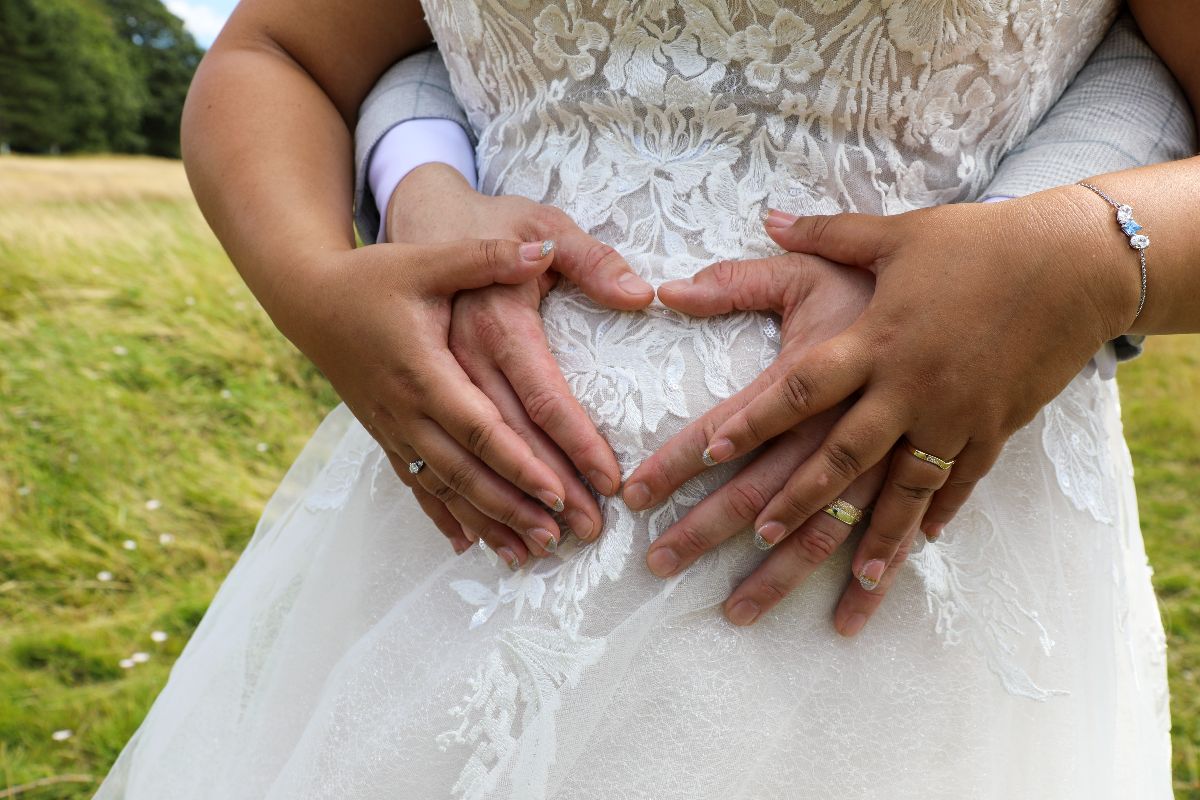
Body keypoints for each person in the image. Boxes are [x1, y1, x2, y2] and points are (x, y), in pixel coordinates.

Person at [95, 2, 1199, 797]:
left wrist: (1085, 258)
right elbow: (277, 51)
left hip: (893, 581)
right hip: (459, 550)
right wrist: (319, 286)